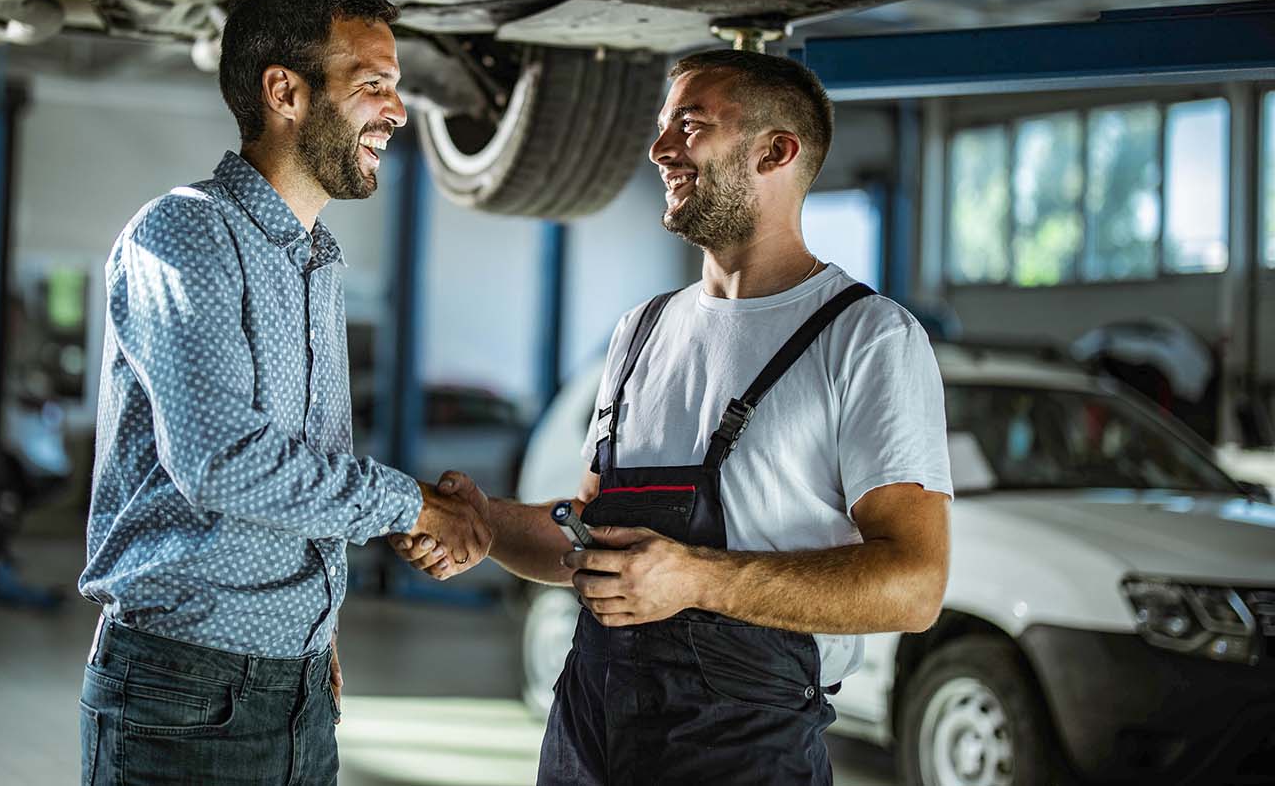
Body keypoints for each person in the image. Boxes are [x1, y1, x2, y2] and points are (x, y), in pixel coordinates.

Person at [396, 49, 953, 785]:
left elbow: (914, 586)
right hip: (591, 724)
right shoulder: (642, 330)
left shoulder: (867, 337)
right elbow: (590, 533)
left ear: (774, 151)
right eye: (662, 127)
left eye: (689, 125)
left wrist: (696, 579)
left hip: (742, 741)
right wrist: (486, 523)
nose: (659, 149)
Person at [78, 0, 491, 786]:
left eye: (396, 87)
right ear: (285, 92)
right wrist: (411, 503)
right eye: (372, 84)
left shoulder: (316, 261)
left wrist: (311, 623)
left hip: (294, 684)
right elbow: (223, 460)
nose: (397, 111)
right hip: (187, 691)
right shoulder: (186, 230)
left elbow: (293, 466)